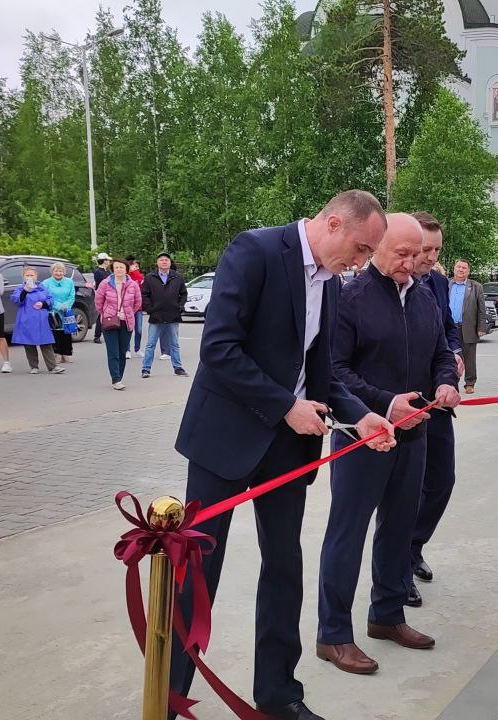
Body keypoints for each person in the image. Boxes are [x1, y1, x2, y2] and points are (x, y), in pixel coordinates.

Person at [170, 190, 395, 720]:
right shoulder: (254, 252)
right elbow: (219, 348)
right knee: (197, 568)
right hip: (224, 440)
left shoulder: (332, 283)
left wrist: (360, 413)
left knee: (284, 566)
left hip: (287, 448)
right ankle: (170, 696)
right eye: (361, 249)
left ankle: (278, 694)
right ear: (334, 223)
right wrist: (285, 406)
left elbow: (320, 373)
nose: (361, 263)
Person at [317, 213, 460, 677]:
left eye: (416, 254)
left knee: (399, 527)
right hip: (363, 437)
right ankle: (333, 635)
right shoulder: (350, 298)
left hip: (414, 433)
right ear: (377, 246)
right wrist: (381, 403)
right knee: (347, 532)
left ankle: (387, 615)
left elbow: (441, 352)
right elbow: (333, 370)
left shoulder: (422, 297)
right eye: (401, 253)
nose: (411, 262)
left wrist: (445, 382)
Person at [406, 211, 464, 608]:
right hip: (401, 405)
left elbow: (448, 328)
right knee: (403, 491)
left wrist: (455, 354)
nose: (429, 257)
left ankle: (413, 546)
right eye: (425, 249)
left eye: (436, 249)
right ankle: (396, 567)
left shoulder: (439, 282)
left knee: (442, 481)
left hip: (439, 401)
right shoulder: (394, 282)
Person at [94, 259, 142, 390]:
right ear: (113, 269)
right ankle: (115, 379)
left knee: (122, 352)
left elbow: (137, 302)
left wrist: (128, 312)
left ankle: (119, 377)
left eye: (121, 267)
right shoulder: (105, 283)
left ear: (126, 269)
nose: (119, 269)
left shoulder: (133, 284)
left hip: (126, 321)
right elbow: (98, 301)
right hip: (109, 320)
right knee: (113, 351)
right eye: (116, 267)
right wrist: (105, 313)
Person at [140, 252, 188, 379]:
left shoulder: (177, 277)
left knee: (174, 343)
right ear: (157, 263)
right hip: (156, 315)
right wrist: (149, 308)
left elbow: (183, 294)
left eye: (166, 260)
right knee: (151, 343)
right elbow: (144, 294)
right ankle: (146, 369)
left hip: (173, 314)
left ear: (170, 262)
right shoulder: (150, 277)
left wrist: (180, 307)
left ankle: (178, 367)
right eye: (161, 260)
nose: (164, 262)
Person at [9, 267, 64, 375]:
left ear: (36, 276)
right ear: (23, 277)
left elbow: (50, 299)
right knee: (29, 344)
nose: (30, 277)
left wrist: (43, 304)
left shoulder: (42, 287)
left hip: (41, 320)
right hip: (27, 320)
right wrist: (25, 291)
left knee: (46, 343)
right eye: (27, 275)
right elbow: (16, 300)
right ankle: (34, 366)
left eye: (32, 275)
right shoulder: (20, 289)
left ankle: (53, 367)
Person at [448, 259, 487, 393]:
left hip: (468, 327)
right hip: (449, 327)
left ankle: (470, 383)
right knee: (449, 356)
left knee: (469, 358)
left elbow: (482, 309)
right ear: (454, 268)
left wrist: (481, 328)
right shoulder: (446, 284)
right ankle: (451, 383)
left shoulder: (476, 287)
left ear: (468, 271)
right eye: (458, 267)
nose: (461, 269)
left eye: (464, 268)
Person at [42, 262, 77, 364]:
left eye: (61, 270)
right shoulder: (46, 283)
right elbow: (46, 296)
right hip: (53, 311)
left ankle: (66, 354)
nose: (58, 272)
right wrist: (58, 306)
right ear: (52, 271)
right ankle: (57, 354)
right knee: (56, 332)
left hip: (67, 311)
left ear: (64, 272)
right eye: (56, 270)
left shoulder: (69, 282)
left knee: (67, 332)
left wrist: (66, 306)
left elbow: (72, 295)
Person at [126, 257, 145, 357]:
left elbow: (141, 284)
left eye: (138, 266)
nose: (136, 268)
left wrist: (135, 272)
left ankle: (137, 349)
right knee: (129, 329)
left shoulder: (140, 276)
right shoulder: (126, 276)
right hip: (128, 307)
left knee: (139, 329)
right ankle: (127, 350)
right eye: (134, 266)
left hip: (138, 307)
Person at [91, 253, 112, 344]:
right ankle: (97, 335)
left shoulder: (107, 271)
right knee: (101, 315)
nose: (109, 262)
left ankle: (106, 333)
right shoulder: (98, 271)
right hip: (101, 295)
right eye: (107, 260)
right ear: (104, 261)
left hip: (109, 295)